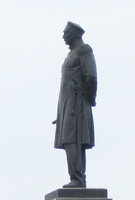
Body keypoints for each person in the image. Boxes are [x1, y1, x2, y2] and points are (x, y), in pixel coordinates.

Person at [53, 19, 96, 190]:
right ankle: (76, 177)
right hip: (66, 105)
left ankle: (78, 178)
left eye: (66, 33)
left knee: (73, 140)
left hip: (77, 103)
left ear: (73, 34)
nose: (63, 36)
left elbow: (91, 77)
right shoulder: (70, 55)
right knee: (68, 140)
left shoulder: (84, 51)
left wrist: (89, 99)